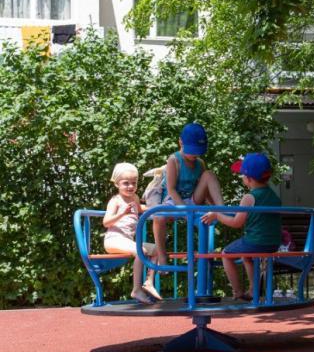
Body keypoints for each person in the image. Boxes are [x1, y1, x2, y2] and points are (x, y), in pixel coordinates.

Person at [200, 153, 282, 301]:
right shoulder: (274, 196)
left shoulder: (249, 198)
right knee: (246, 256)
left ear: (248, 179)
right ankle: (253, 290)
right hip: (273, 243)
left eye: (242, 175)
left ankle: (237, 291)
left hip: (255, 242)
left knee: (226, 254)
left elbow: (237, 222)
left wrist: (217, 215)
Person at [152, 122, 223, 258]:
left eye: (198, 152)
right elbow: (171, 189)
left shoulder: (200, 163)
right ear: (180, 142)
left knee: (208, 174)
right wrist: (185, 210)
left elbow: (204, 186)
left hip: (192, 199)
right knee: (158, 217)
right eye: (192, 151)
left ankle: (221, 207)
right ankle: (161, 254)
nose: (194, 155)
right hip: (174, 201)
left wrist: (210, 206)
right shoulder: (174, 160)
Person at [103, 162, 160, 304]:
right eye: (125, 183)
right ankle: (136, 289)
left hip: (128, 240)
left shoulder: (134, 198)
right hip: (113, 239)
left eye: (133, 183)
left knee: (158, 250)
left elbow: (140, 208)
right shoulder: (115, 201)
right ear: (117, 184)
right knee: (140, 251)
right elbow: (106, 222)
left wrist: (156, 207)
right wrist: (122, 213)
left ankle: (149, 282)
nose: (130, 187)